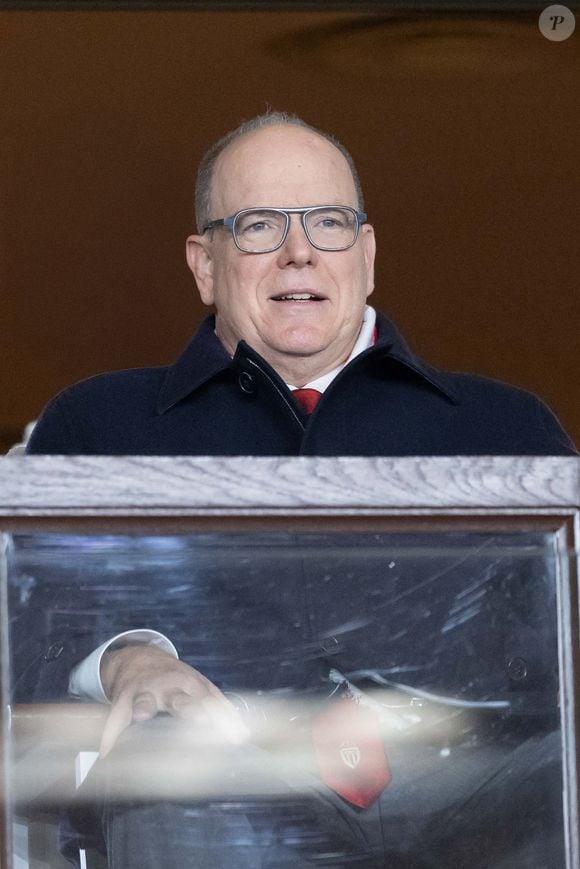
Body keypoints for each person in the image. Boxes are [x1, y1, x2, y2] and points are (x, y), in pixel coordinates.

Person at [24, 112, 577, 867]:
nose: (300, 253)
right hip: (222, 777)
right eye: (258, 226)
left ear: (368, 254)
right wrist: (131, 661)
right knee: (163, 753)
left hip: (481, 782)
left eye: (329, 223)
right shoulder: (97, 422)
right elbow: (24, 631)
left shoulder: (509, 426)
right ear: (204, 263)